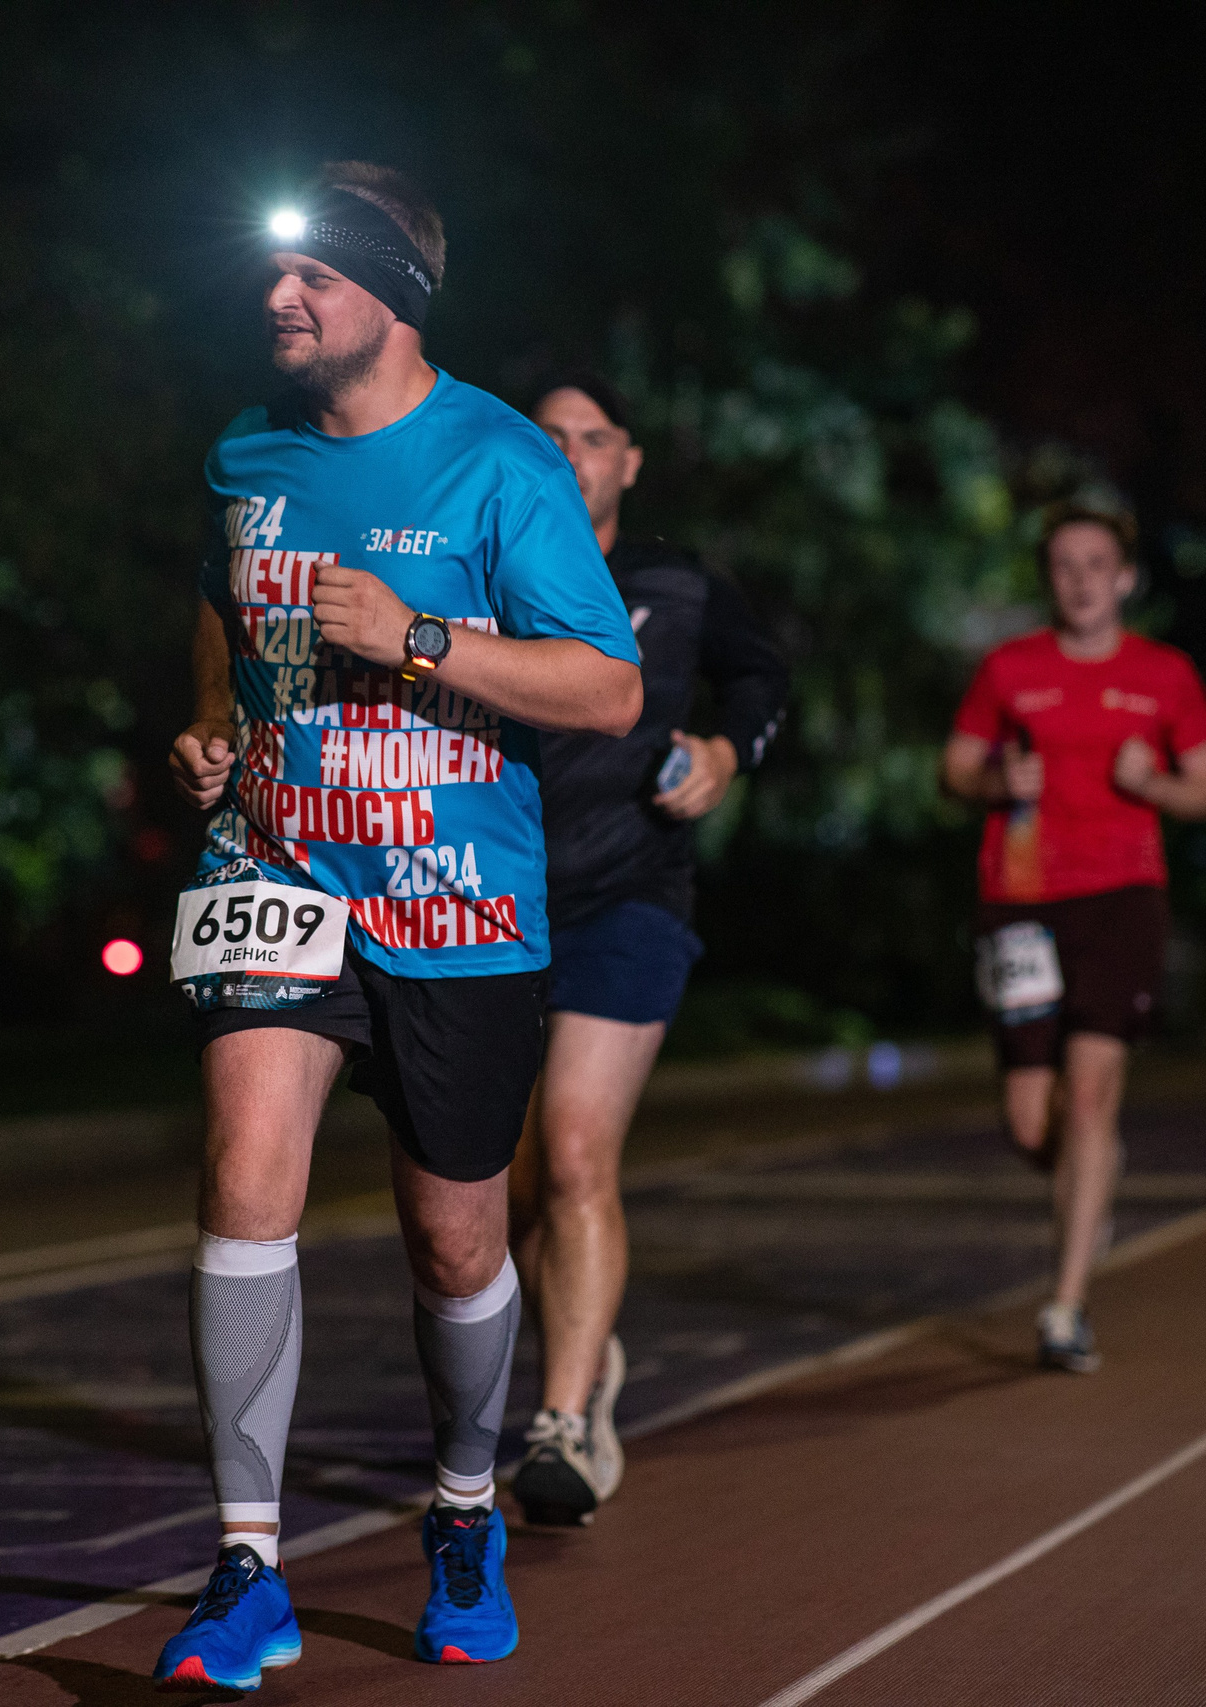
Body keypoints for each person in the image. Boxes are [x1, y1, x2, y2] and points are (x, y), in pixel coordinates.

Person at [156, 163, 642, 1691]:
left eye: (312, 275)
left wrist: (419, 635)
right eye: (272, 273)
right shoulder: (249, 447)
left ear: (394, 291)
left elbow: (608, 686)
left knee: (456, 1235)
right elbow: (224, 597)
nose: (277, 299)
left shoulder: (501, 460)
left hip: (460, 902)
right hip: (281, 872)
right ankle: (247, 1563)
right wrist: (217, 716)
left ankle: (463, 1508)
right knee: (246, 1176)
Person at [504, 374, 787, 1527]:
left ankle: (563, 1421)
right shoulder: (482, 569)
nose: (570, 453)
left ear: (626, 462)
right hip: (492, 903)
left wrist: (722, 753)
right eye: (550, 436)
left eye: (593, 437)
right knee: (509, 1192)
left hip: (631, 895)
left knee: (576, 1152)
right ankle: (590, 1354)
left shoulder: (677, 581)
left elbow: (761, 677)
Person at [939, 501, 1206, 1373]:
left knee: (1093, 1093)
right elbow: (954, 767)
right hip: (1021, 899)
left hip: (1121, 896)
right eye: (1065, 565)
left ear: (1125, 577)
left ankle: (1065, 1307)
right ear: (1049, 579)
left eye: (1097, 563)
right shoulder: (1009, 668)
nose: (1081, 580)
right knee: (1032, 1121)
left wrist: (1156, 783)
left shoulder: (1164, 674)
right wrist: (996, 780)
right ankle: (1090, 1177)